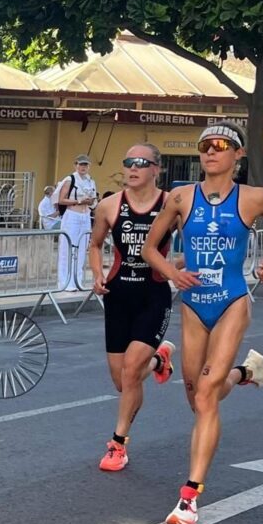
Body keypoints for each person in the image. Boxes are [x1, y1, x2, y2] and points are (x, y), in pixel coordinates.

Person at [141, 122, 263, 524]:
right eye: (204, 146)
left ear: (238, 154)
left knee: (207, 393)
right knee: (196, 396)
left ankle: (189, 496)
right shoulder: (181, 197)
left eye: (220, 145)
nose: (210, 152)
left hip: (232, 301)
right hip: (194, 304)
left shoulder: (255, 197)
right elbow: (149, 248)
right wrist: (173, 274)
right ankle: (245, 373)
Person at [88, 145, 176, 472]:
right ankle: (159, 360)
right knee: (122, 381)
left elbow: (195, 241)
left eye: (141, 162)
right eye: (128, 162)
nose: (133, 168)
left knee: (130, 372)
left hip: (153, 295)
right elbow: (95, 244)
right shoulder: (109, 205)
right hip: (118, 295)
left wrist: (178, 267)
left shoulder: (172, 204)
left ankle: (118, 445)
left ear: (156, 169)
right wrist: (97, 274)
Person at [55, 154, 98, 290]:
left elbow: (93, 199)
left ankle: (77, 281)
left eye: (85, 165)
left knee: (81, 249)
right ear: (76, 165)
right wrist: (79, 201)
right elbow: (61, 199)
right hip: (72, 215)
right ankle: (65, 282)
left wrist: (91, 202)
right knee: (68, 248)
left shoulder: (90, 181)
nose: (83, 167)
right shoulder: (70, 179)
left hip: (85, 215)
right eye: (81, 164)